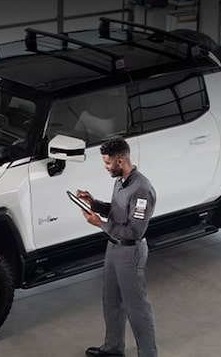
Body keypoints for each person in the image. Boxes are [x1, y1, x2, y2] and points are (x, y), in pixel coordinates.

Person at [76, 137, 157, 357]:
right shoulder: (120, 180)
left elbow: (134, 231)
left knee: (136, 307)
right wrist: (94, 203)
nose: (106, 167)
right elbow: (117, 210)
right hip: (113, 248)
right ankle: (113, 348)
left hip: (130, 252)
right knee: (110, 300)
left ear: (121, 161)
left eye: (108, 163)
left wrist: (99, 224)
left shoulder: (142, 190)